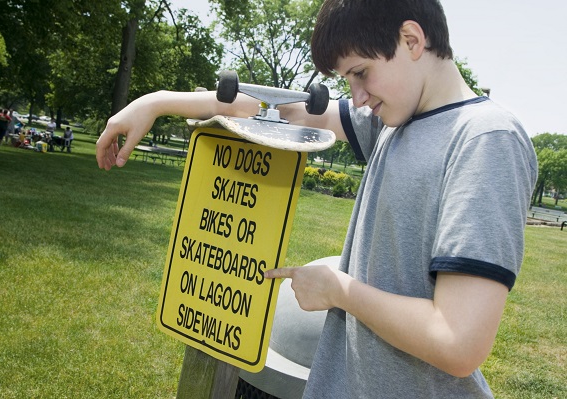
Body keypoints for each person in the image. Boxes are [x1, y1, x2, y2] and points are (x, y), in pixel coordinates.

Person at [96, 1, 537, 397]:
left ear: (411, 39)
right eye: (348, 80)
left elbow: (457, 342)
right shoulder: (391, 121)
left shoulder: (485, 139)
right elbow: (281, 107)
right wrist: (154, 103)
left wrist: (338, 290)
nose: (358, 95)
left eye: (360, 73)